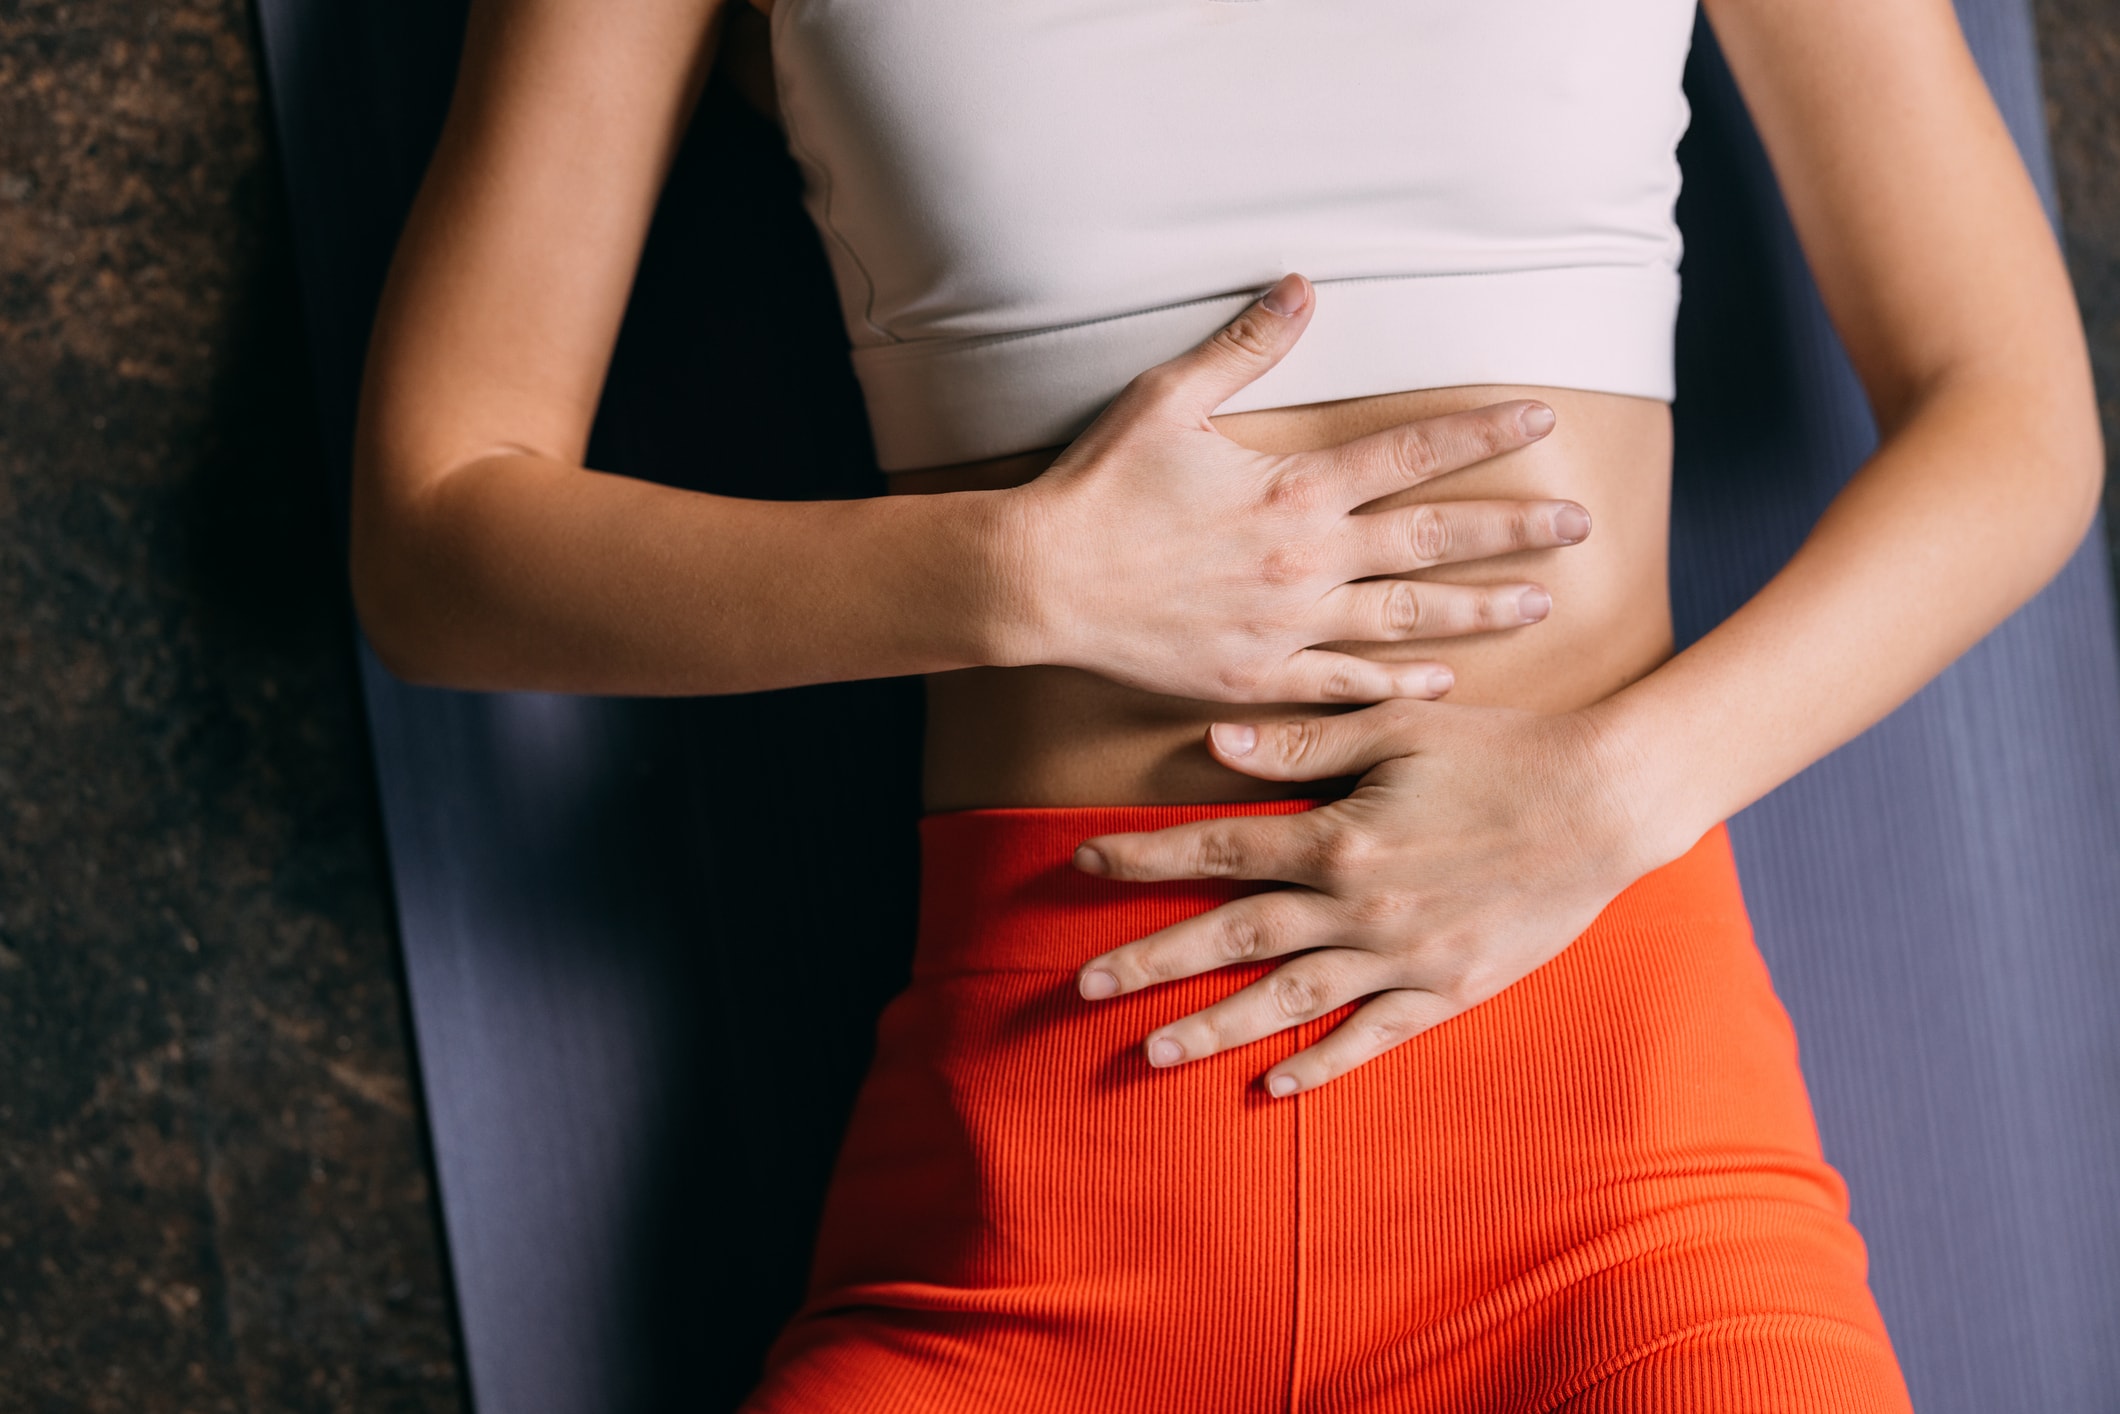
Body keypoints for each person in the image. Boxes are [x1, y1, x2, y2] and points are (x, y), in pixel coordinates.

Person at [348, 0, 2101, 1407]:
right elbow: (435, 535)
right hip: (1025, 1219)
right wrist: (1022, 573)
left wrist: (1614, 794)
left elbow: (2013, 417)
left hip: (1614, 1193)